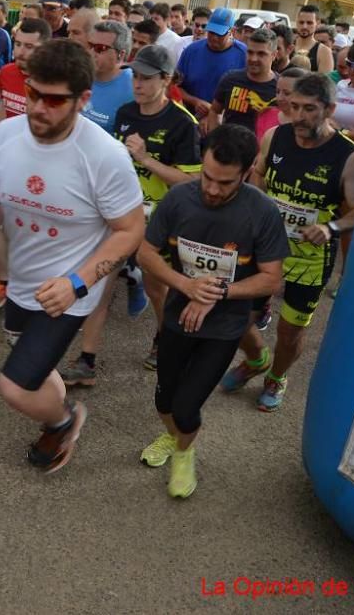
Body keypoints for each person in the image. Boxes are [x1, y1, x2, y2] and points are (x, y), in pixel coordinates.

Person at [0, 39, 143, 473]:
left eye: (55, 100)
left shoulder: (106, 157)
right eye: (34, 93)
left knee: (15, 387)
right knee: (32, 364)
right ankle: (62, 410)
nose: (39, 108)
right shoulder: (6, 134)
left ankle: (62, 422)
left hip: (69, 293)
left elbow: (131, 230)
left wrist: (78, 282)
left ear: (84, 99)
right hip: (22, 282)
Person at [137, 123, 289, 497]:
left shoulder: (262, 212)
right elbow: (144, 252)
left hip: (225, 324)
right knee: (164, 399)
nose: (211, 188)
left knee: (187, 406)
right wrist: (187, 286)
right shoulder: (179, 199)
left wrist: (217, 293)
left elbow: (271, 279)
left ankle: (185, 453)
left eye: (225, 183)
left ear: (249, 171)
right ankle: (174, 438)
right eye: (207, 176)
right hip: (177, 314)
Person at [220, 74, 354, 411]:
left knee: (290, 331)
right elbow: (257, 177)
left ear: (330, 109)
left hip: (310, 260)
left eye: (309, 109)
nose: (298, 116)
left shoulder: (349, 156)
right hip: (266, 249)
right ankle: (257, 359)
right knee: (235, 317)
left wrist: (331, 227)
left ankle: (277, 376)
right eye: (294, 107)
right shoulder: (275, 136)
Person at [61, 44, 201, 385]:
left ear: (166, 80)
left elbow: (191, 181)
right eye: (135, 76)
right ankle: (87, 361)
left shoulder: (183, 123)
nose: (137, 83)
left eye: (146, 78)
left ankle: (163, 337)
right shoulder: (126, 113)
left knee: (157, 288)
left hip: (161, 222)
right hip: (120, 217)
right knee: (99, 283)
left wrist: (146, 159)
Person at [0, 17, 53, 313]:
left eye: (30, 47)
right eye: (18, 43)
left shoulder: (52, 82)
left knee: (34, 231)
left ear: (44, 49)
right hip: (8, 161)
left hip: (42, 168)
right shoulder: (6, 73)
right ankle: (5, 282)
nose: (21, 52)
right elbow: (3, 110)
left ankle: (42, 286)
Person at [176, 7, 246, 122]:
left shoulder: (243, 54)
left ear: (232, 31)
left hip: (224, 123)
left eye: (219, 34)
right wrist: (195, 101)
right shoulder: (191, 51)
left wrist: (214, 114)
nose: (214, 37)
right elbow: (176, 87)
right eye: (211, 32)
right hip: (190, 120)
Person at [207, 28, 278, 136]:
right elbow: (214, 111)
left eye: (261, 54)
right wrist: (215, 140)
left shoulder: (280, 88)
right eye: (250, 52)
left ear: (274, 55)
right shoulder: (230, 79)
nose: (254, 59)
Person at [82, 20, 133, 135]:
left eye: (100, 48)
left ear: (121, 54)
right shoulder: (77, 75)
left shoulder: (133, 87)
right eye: (90, 45)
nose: (91, 53)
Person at [294, 5, 334, 73]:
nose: (304, 26)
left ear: (317, 23)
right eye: (301, 22)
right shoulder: (287, 45)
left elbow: (323, 82)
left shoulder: (324, 52)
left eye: (309, 23)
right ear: (297, 22)